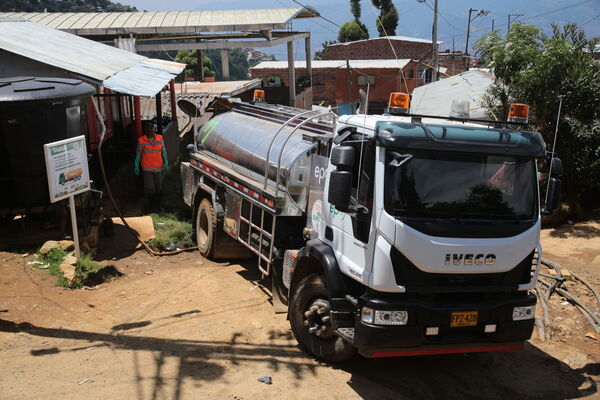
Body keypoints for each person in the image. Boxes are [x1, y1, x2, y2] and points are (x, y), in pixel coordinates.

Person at [134, 121, 168, 211]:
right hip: (147, 169)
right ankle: (152, 206)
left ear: (154, 129)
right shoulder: (141, 140)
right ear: (145, 130)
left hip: (158, 168)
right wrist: (136, 165)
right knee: (150, 188)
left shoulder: (160, 138)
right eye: (148, 128)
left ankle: (158, 206)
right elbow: (138, 154)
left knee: (158, 187)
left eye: (152, 128)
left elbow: (163, 150)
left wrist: (166, 161)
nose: (150, 130)